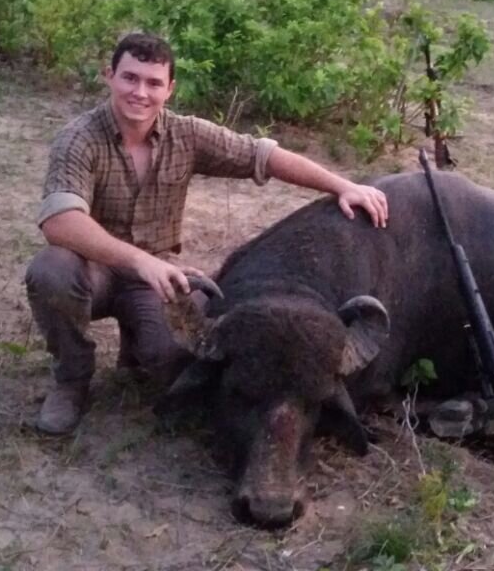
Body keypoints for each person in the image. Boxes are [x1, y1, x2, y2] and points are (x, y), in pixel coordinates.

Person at [25, 32, 389, 435]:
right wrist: (141, 261)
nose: (140, 92)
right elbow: (59, 220)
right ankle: (72, 380)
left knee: (177, 364)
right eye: (129, 78)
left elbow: (262, 155)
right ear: (109, 76)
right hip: (95, 270)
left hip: (156, 280)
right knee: (51, 270)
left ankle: (136, 346)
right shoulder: (79, 139)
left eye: (153, 83)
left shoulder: (187, 134)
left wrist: (341, 185)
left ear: (170, 89)